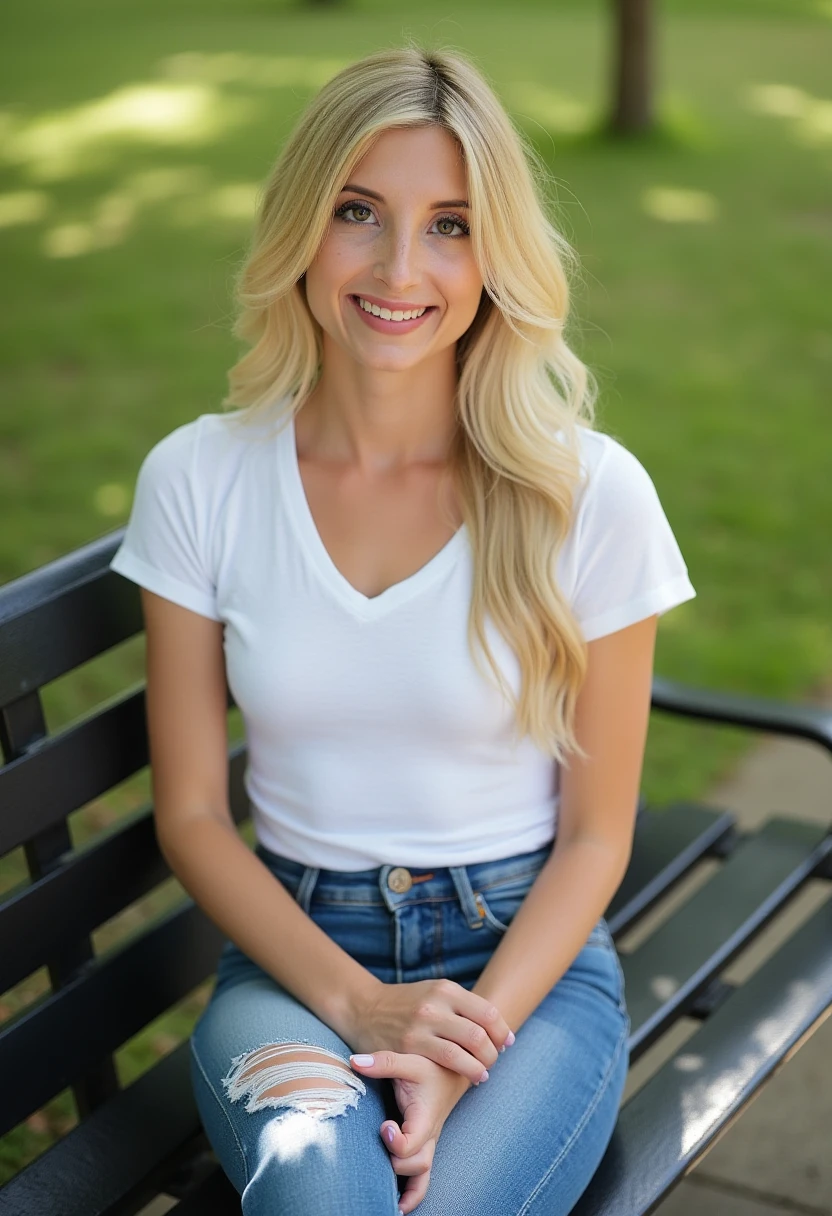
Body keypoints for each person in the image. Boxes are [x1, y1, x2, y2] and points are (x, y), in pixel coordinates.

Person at [109, 45, 695, 1216]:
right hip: (292, 962)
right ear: (299, 227)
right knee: (324, 1199)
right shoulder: (200, 479)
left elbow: (594, 838)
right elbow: (189, 815)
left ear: (496, 255)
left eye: (449, 225)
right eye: (358, 213)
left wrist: (453, 1040)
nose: (397, 266)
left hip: (520, 972)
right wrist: (361, 1007)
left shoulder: (588, 494)